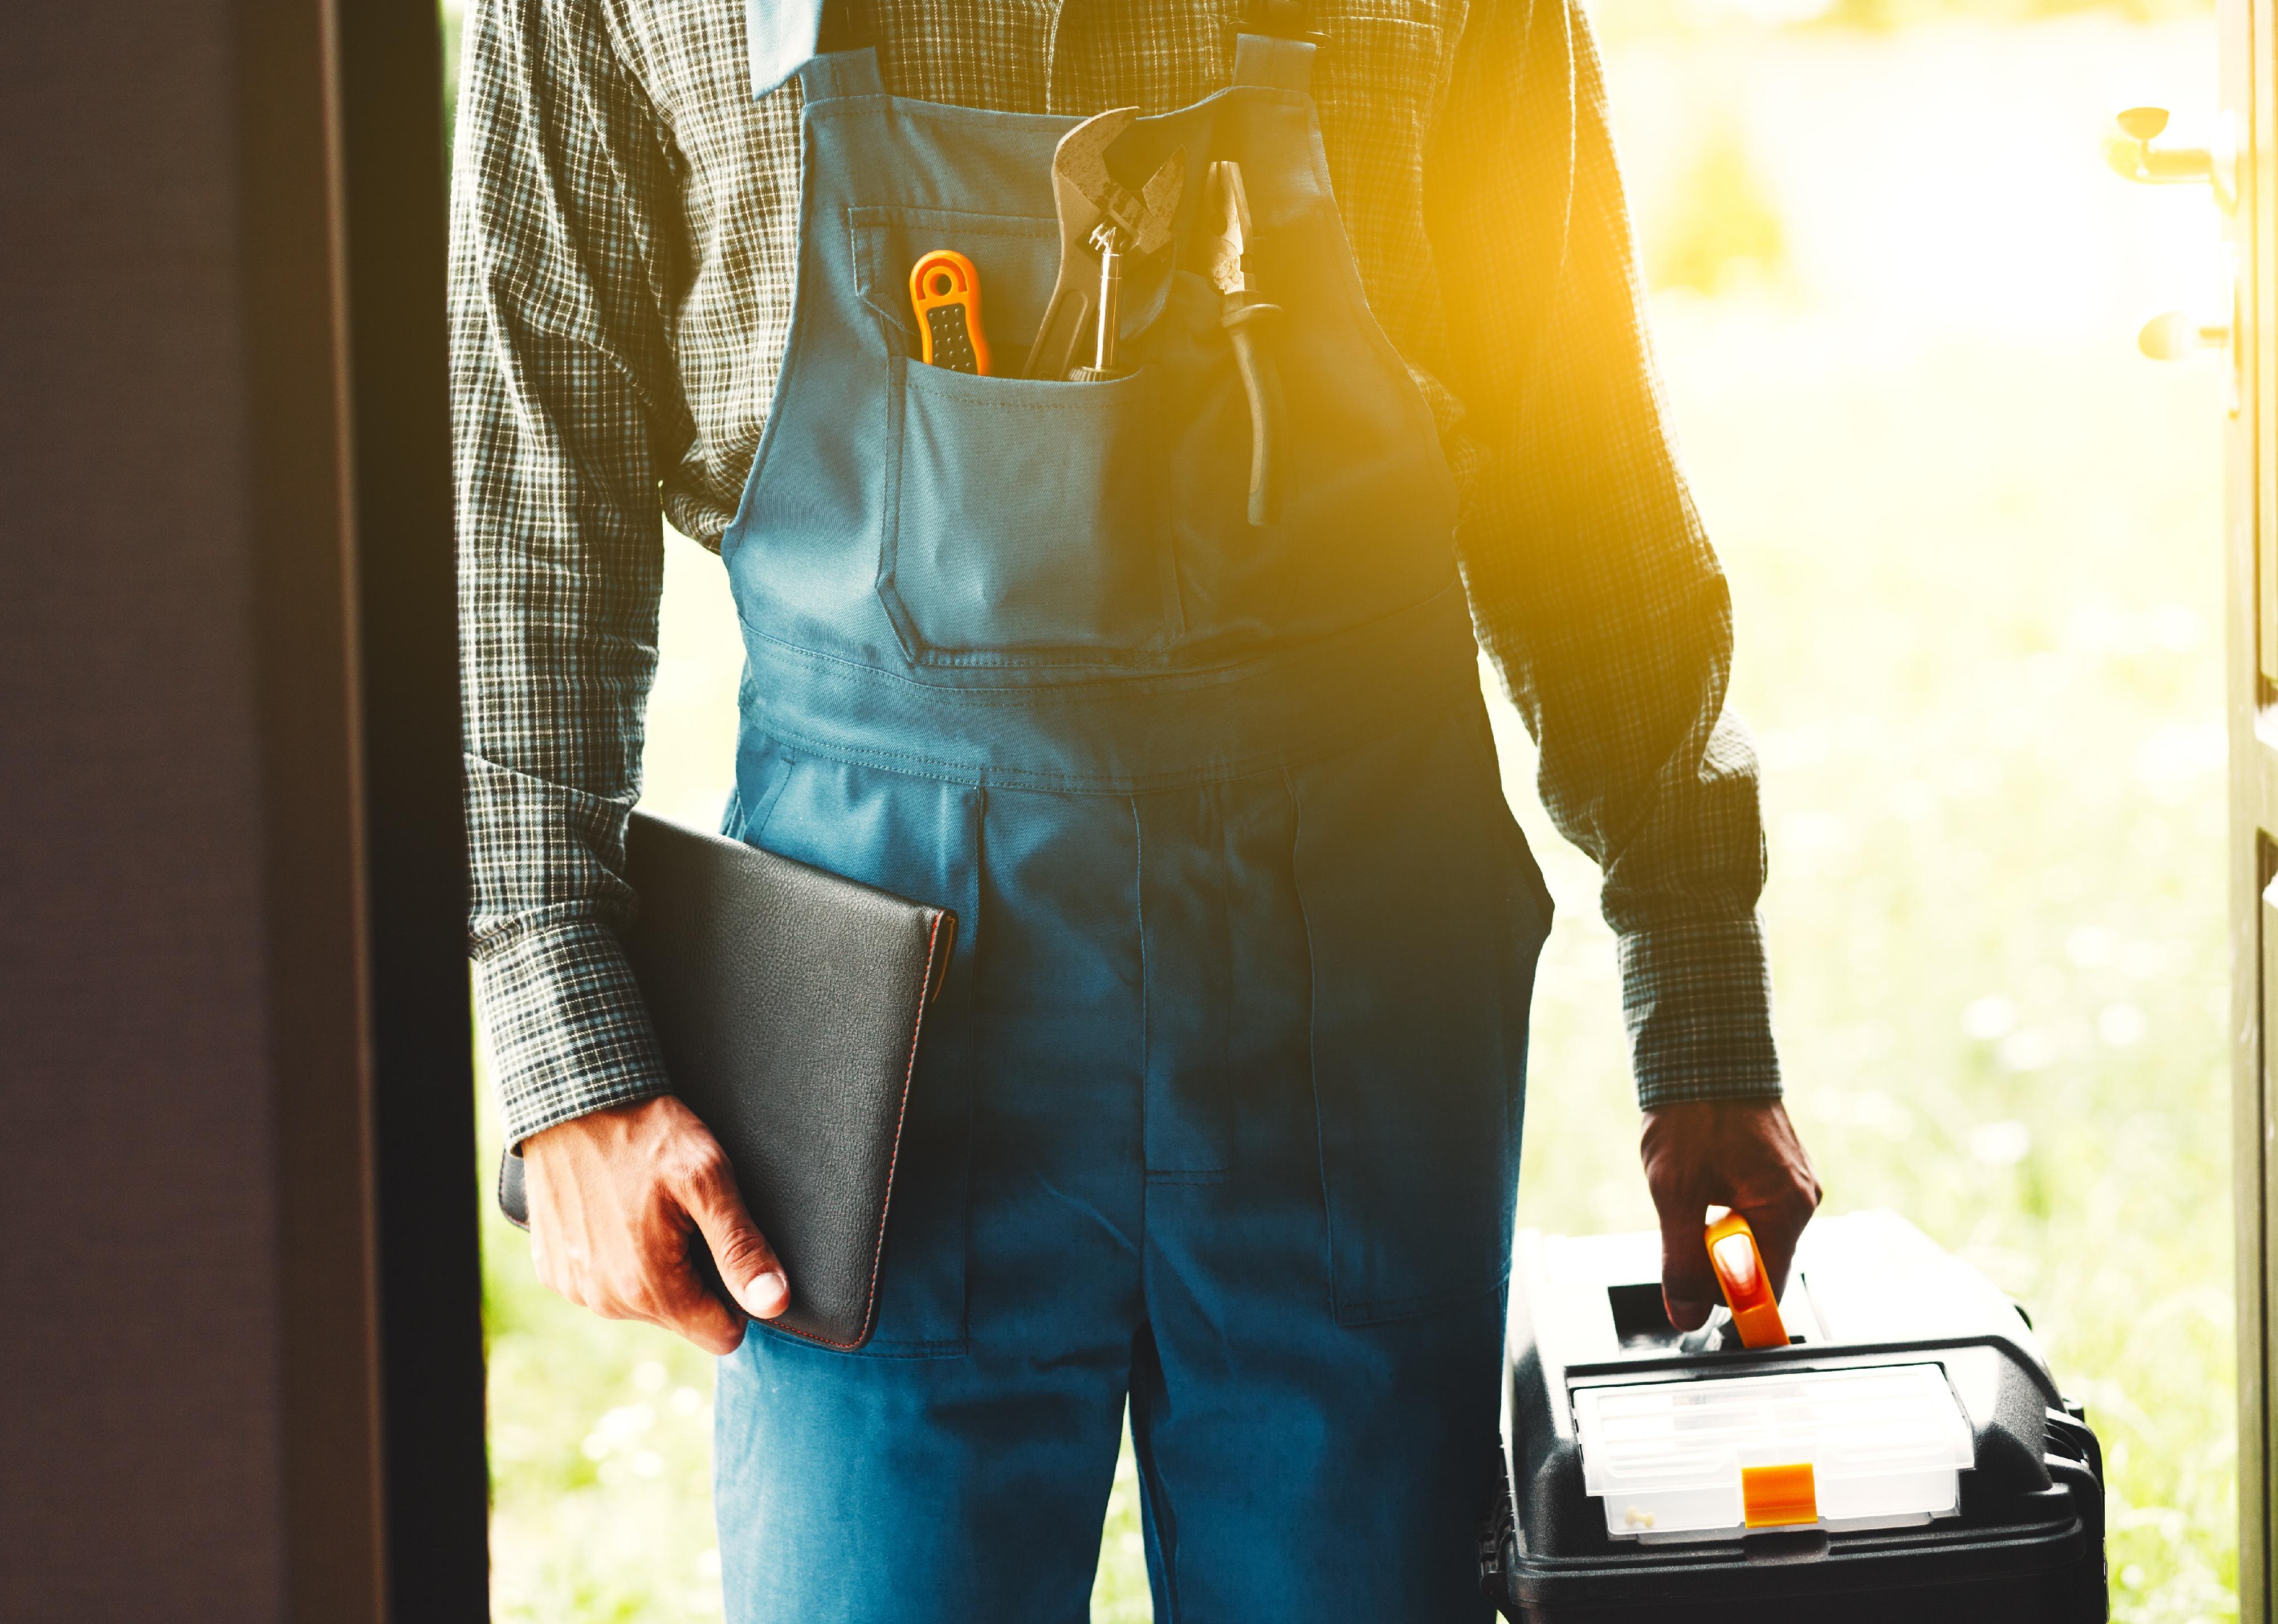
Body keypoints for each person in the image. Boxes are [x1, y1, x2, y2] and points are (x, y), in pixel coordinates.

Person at [450, 1, 1823, 1618]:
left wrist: (1705, 1006)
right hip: (870, 1051)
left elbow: (1576, 478)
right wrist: (564, 1045)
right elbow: (528, 503)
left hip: (1353, 1015)